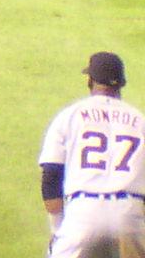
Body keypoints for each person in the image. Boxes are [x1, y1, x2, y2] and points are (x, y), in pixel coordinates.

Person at [40, 51, 145, 258]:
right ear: (121, 84)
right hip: (129, 213)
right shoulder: (140, 120)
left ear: (90, 80)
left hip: (84, 213)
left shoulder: (69, 116)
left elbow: (51, 176)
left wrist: (57, 228)